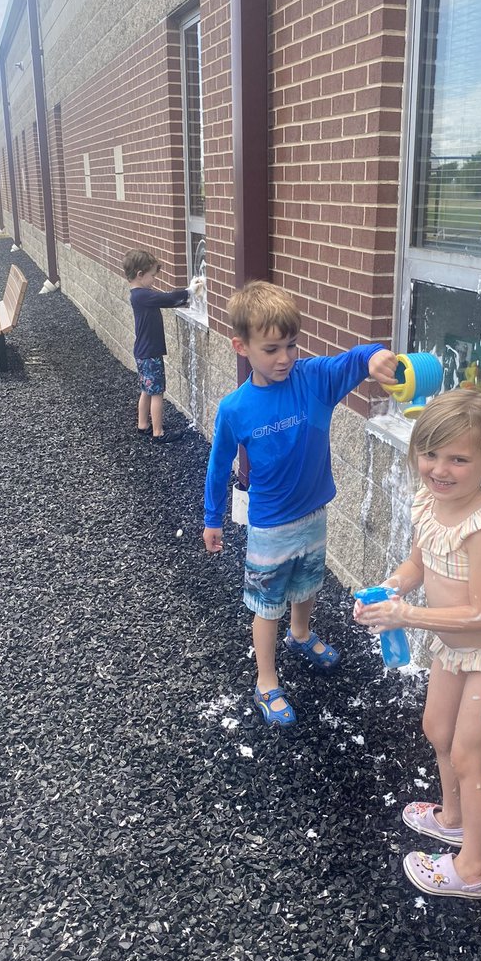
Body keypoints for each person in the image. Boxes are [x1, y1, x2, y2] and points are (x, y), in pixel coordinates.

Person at [354, 389, 481, 900]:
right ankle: (452, 818)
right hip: (452, 648)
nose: (440, 468)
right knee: (436, 728)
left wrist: (406, 615)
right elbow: (416, 565)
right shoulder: (428, 503)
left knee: (466, 755)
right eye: (430, 453)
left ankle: (472, 869)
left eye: (458, 458)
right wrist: (388, 592)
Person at [203, 281, 398, 726]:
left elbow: (354, 360)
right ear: (241, 346)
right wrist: (212, 518)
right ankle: (267, 681)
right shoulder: (236, 408)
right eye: (271, 349)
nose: (285, 358)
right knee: (266, 602)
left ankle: (302, 633)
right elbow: (218, 466)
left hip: (314, 514)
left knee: (308, 583)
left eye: (291, 345)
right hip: (270, 525)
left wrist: (375, 356)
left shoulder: (312, 380)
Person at [123, 249, 204, 441]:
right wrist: (189, 292)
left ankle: (143, 425)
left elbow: (164, 300)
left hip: (143, 351)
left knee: (146, 389)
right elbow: (166, 299)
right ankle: (158, 432)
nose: (154, 280)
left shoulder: (139, 294)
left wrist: (186, 295)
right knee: (157, 392)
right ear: (140, 275)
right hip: (150, 352)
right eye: (152, 276)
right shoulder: (142, 295)